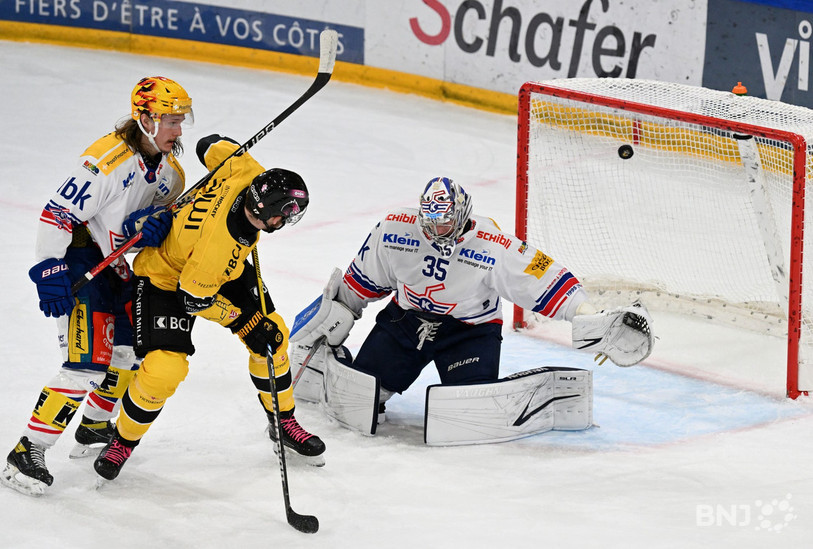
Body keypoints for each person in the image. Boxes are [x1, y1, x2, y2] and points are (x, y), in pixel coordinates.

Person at [289, 176, 653, 441]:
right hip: (405, 322)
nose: (436, 230)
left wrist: (589, 315)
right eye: (430, 222)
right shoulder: (394, 230)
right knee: (360, 396)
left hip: (468, 332)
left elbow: (545, 280)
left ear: (463, 214)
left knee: (469, 413)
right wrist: (329, 322)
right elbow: (360, 283)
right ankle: (326, 370)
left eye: (445, 222)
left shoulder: (493, 245)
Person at [92, 134, 326, 482]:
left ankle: (283, 422)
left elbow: (208, 144)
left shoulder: (245, 169)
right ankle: (122, 441)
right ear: (265, 210)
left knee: (273, 337)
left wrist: (222, 153)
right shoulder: (216, 250)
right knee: (164, 369)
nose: (285, 220)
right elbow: (194, 300)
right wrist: (244, 323)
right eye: (285, 214)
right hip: (165, 278)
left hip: (213, 270)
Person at [1, 76, 191, 496]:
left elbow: (141, 228)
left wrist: (153, 227)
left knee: (128, 352)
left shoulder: (171, 174)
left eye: (181, 120)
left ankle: (94, 425)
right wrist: (49, 269)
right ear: (145, 120)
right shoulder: (105, 160)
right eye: (172, 121)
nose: (179, 130)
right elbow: (57, 214)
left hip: (115, 265)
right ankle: (26, 451)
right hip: (79, 257)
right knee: (86, 364)